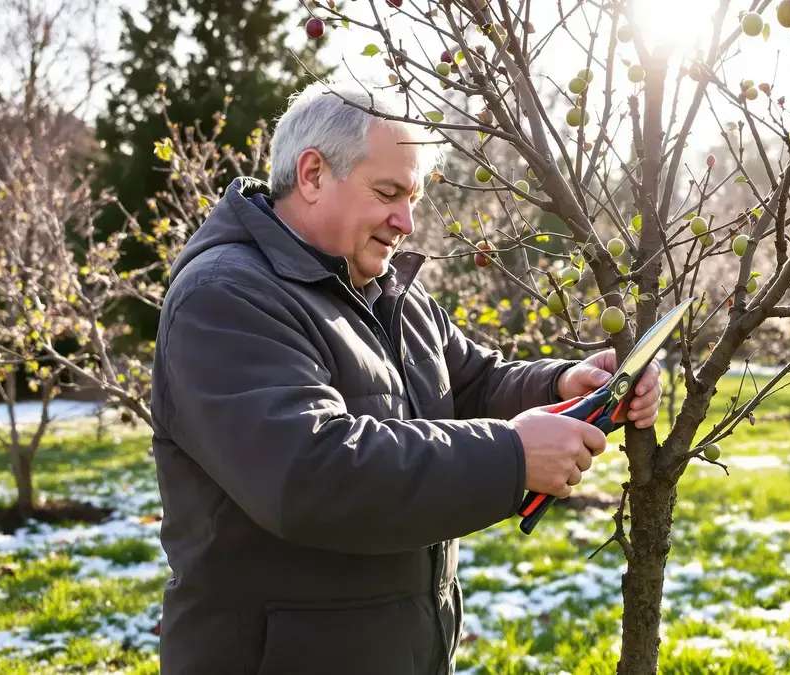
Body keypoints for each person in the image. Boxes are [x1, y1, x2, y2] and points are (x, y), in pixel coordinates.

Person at [148, 79, 662, 675]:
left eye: (413, 196)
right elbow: (311, 473)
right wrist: (511, 458)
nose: (407, 221)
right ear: (312, 175)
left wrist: (562, 386)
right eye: (388, 192)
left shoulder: (389, 290)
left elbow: (470, 384)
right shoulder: (226, 296)